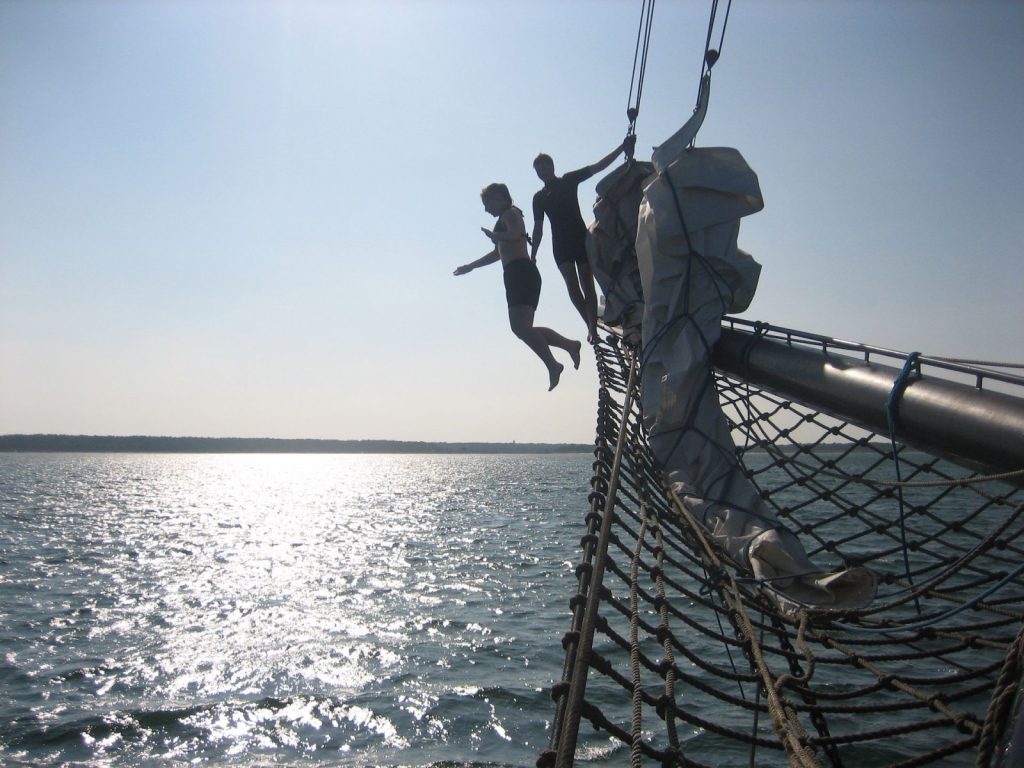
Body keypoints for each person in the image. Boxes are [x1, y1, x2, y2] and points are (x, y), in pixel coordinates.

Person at [454, 183, 581, 391]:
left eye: (487, 203)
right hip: (518, 274)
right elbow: (498, 253)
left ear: (500, 197)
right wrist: (471, 266)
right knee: (524, 329)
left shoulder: (510, 213)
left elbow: (515, 234)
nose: (486, 209)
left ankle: (553, 364)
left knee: (520, 328)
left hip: (520, 272)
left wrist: (497, 236)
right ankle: (569, 345)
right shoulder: (502, 220)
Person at [531, 135, 637, 342]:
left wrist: (621, 148)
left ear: (552, 167)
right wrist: (532, 255)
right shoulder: (539, 197)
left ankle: (592, 330)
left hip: (579, 237)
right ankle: (590, 324)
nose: (542, 172)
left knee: (586, 282)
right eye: (538, 170)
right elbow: (538, 228)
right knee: (572, 286)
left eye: (544, 167)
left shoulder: (569, 180)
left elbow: (598, 167)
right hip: (560, 243)